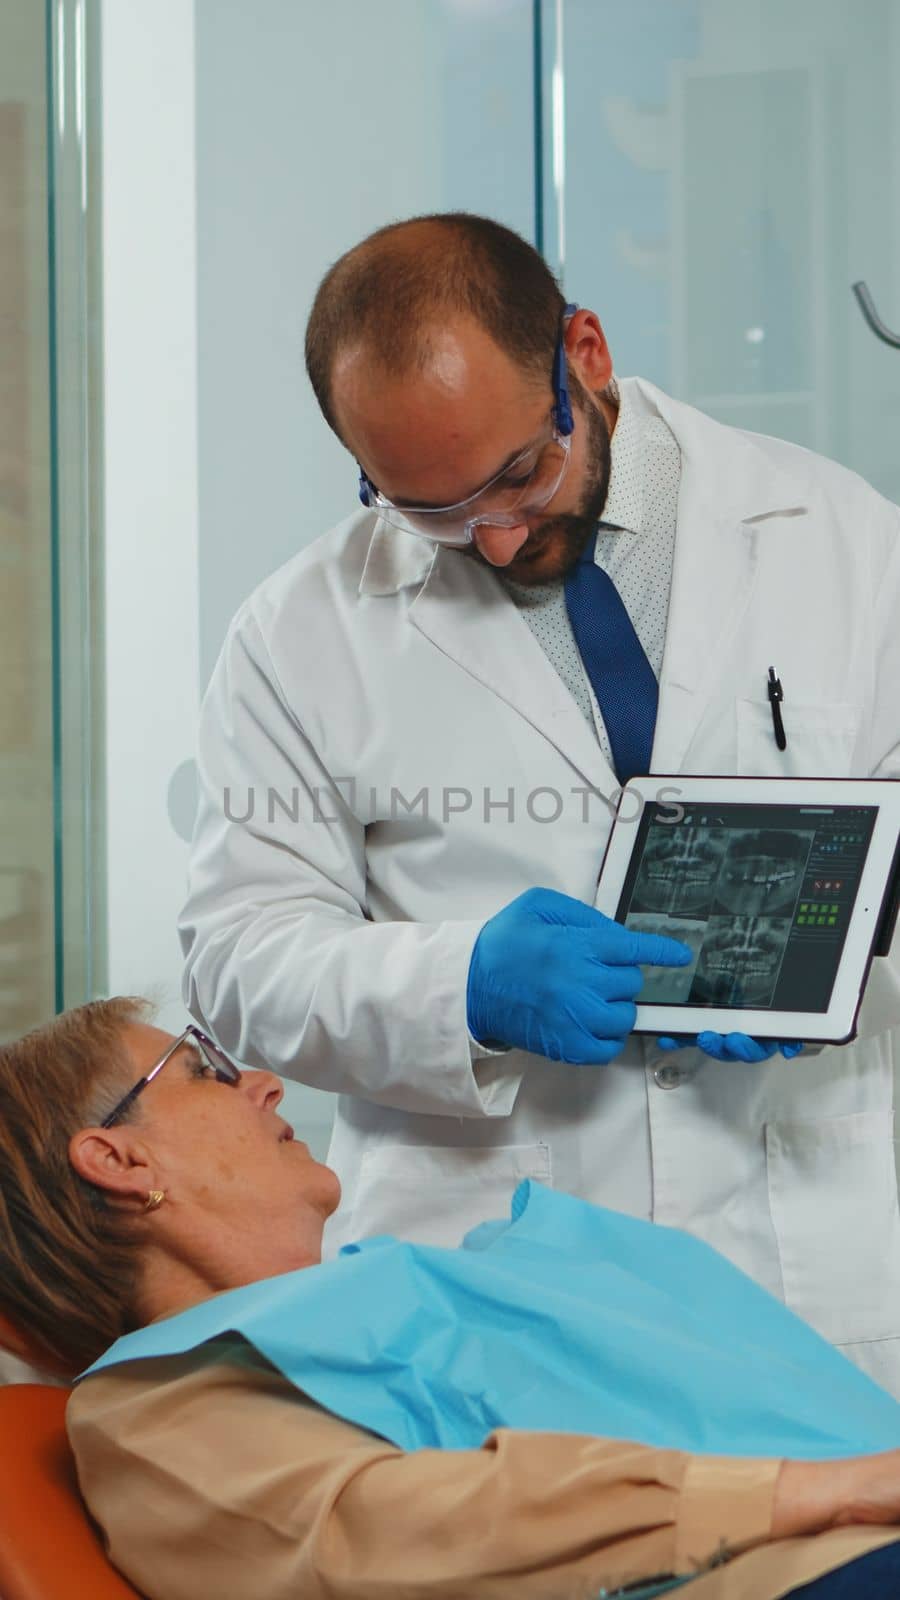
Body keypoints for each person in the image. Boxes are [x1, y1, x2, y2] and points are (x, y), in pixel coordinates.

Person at [178, 212, 900, 1398]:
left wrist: (839, 943)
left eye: (519, 473)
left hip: (805, 1258)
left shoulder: (843, 544)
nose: (499, 535)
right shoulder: (299, 634)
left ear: (586, 357)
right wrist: (463, 987)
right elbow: (238, 961)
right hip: (492, 1288)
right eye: (428, 506)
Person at [4, 1001, 900, 1600]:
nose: (264, 1084)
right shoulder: (157, 1404)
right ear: (119, 1162)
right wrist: (813, 1492)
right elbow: (391, 1533)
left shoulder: (402, 1295)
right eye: (203, 1071)